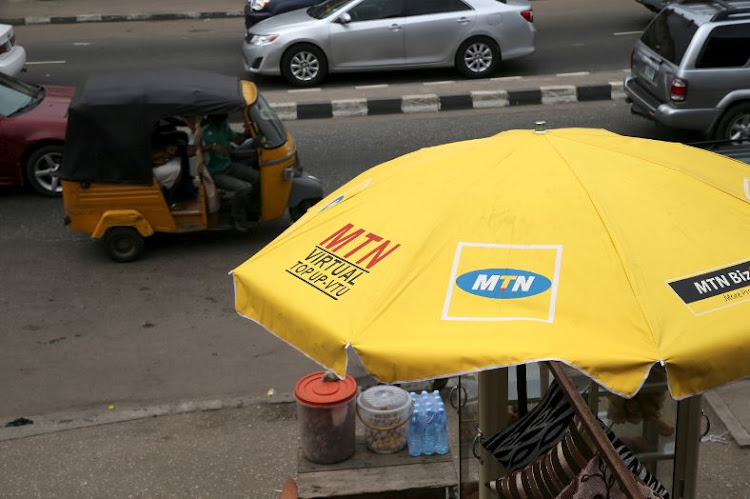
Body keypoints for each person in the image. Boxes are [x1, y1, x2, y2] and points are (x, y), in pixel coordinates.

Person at [202, 114, 260, 230]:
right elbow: (191, 150)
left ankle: (251, 209)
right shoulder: (203, 130)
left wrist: (247, 132)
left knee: (258, 178)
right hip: (215, 172)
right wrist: (212, 146)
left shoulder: (223, 126)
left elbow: (237, 141)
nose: (226, 115)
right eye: (222, 112)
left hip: (228, 165)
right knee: (244, 188)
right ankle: (236, 219)